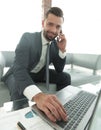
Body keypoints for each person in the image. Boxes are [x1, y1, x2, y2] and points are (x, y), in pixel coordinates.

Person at [2, 7, 71, 122]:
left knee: (65, 77)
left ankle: (59, 107)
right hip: (17, 72)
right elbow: (20, 69)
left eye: (58, 27)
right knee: (19, 88)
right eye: (50, 24)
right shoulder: (27, 38)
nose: (54, 30)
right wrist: (38, 95)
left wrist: (62, 50)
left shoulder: (55, 45)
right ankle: (22, 121)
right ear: (43, 23)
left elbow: (59, 69)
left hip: (39, 73)